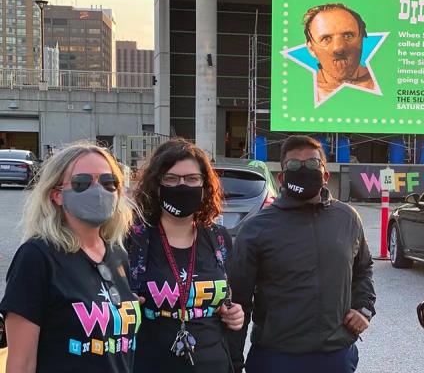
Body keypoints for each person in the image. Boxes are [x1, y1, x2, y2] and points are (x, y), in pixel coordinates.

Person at [229, 135, 376, 373]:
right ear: (281, 177)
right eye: (294, 165)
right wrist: (233, 363)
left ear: (325, 175)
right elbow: (238, 303)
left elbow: (364, 268)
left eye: (313, 164)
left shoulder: (347, 218)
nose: (304, 169)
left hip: (336, 356)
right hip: (276, 358)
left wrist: (363, 307)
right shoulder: (256, 228)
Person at [0, 141, 140, 373]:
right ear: (56, 195)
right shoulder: (37, 257)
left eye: (109, 183)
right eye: (82, 182)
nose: (98, 191)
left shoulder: (117, 255)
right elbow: (21, 364)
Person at [127, 138, 244, 373]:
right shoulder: (133, 239)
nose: (183, 186)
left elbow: (227, 299)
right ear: (156, 185)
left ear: (204, 185)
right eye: (171, 179)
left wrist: (235, 315)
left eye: (192, 179)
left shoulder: (218, 238)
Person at [303, 3, 375, 102]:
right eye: (326, 38)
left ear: (362, 38)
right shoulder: (301, 94)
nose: (338, 48)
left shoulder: (385, 84)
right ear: (311, 48)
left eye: (348, 36)